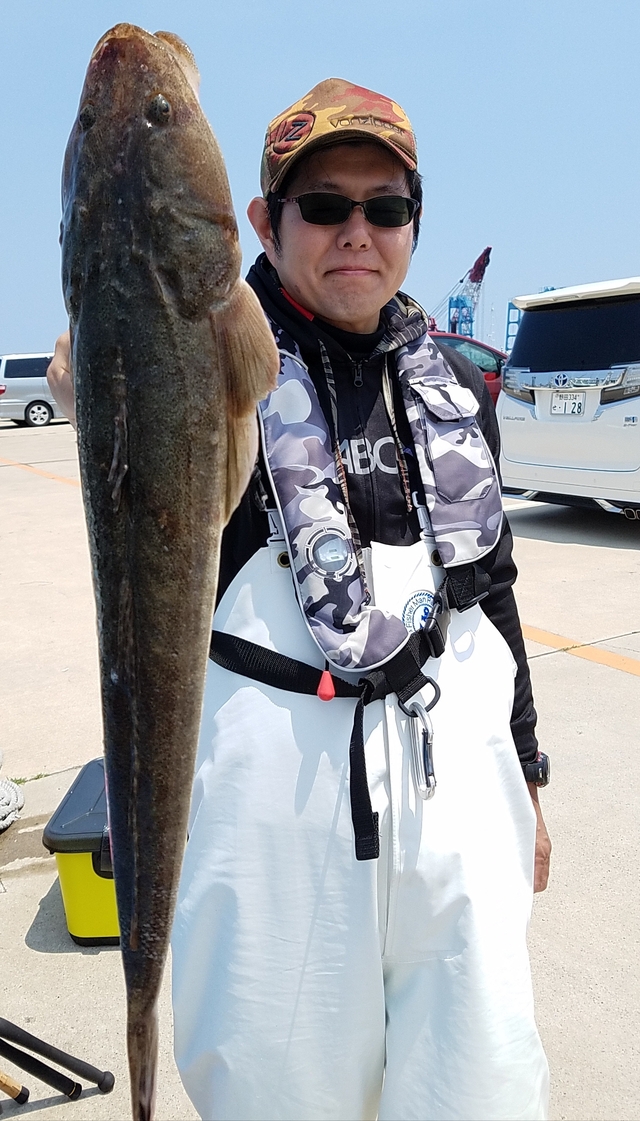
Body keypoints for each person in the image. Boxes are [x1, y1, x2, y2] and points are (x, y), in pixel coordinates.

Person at [48, 78, 551, 1121]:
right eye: (323, 206)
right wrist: (102, 382)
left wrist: (529, 776)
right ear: (263, 221)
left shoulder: (456, 389)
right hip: (281, 824)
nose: (357, 231)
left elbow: (490, 587)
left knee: (482, 1085)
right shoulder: (207, 366)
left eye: (386, 207)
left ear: (414, 222)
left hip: (458, 798)